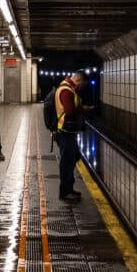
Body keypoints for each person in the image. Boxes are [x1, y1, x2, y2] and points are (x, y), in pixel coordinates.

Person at [55, 70, 91, 203]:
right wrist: (83, 109)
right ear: (79, 80)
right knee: (67, 162)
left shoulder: (68, 88)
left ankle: (69, 188)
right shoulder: (66, 90)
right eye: (82, 85)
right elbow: (69, 111)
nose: (82, 88)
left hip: (67, 132)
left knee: (73, 157)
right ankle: (65, 192)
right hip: (65, 132)